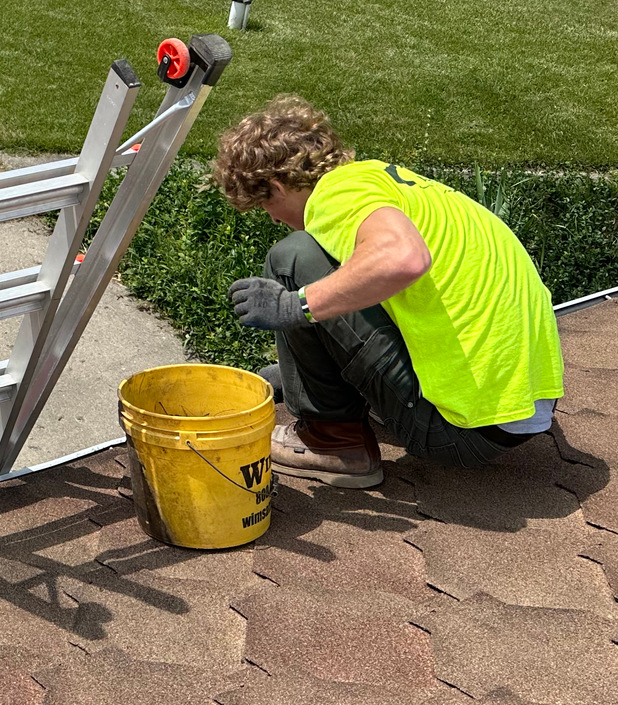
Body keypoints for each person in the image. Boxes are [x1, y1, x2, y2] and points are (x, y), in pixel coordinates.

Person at [212, 96, 563, 487]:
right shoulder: (388, 181)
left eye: (265, 207)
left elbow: (403, 259)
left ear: (276, 188)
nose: (274, 218)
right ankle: (330, 390)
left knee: (293, 258)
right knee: (343, 267)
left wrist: (295, 306)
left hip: (461, 431)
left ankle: (333, 442)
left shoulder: (333, 196)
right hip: (519, 408)